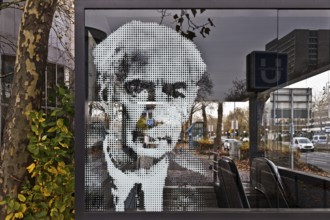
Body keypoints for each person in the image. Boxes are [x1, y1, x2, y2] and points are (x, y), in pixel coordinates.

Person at [92, 20, 206, 212]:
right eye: (138, 89)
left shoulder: (197, 182)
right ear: (108, 97)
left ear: (188, 105)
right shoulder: (88, 182)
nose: (159, 113)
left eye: (176, 93)